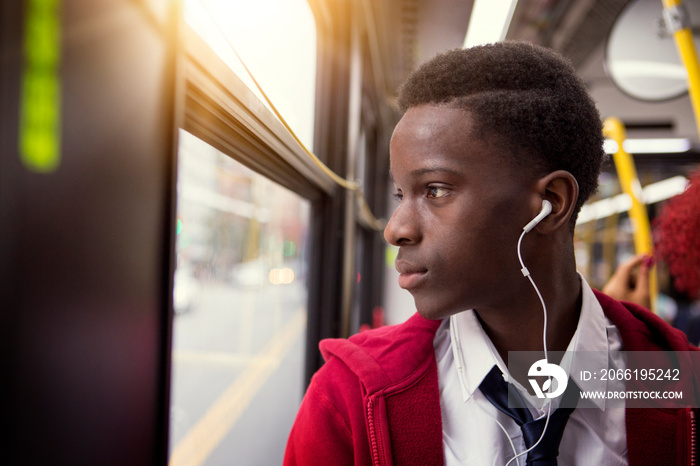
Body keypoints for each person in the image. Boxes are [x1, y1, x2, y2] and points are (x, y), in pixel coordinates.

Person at [284, 42, 699, 465]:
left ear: (550, 203)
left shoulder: (676, 379)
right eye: (400, 194)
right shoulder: (350, 397)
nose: (395, 229)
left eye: (436, 190)